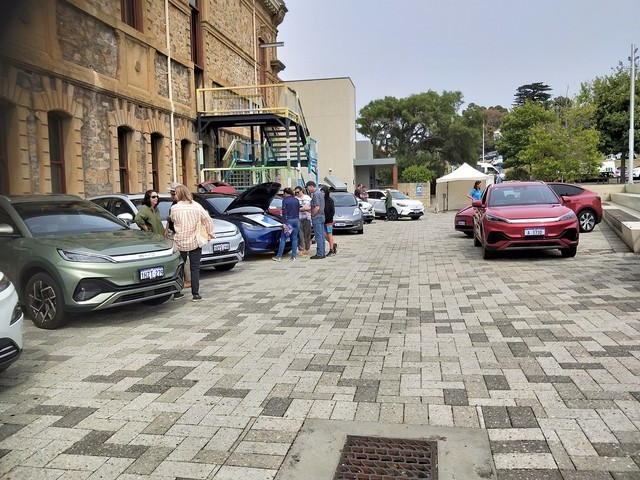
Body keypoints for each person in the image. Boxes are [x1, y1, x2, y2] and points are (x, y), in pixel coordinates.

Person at [169, 184, 214, 301]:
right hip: (195, 240)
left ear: (179, 194)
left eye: (175, 193)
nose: (174, 195)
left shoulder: (174, 208)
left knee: (179, 267)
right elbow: (207, 220)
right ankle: (195, 294)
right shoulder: (196, 206)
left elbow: (173, 220)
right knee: (195, 268)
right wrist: (209, 234)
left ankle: (177, 292)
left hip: (179, 241)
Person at [165, 182, 191, 289]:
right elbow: (170, 218)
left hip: (179, 234)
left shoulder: (180, 206)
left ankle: (188, 279)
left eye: (173, 194)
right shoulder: (174, 204)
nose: (171, 196)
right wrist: (166, 227)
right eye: (171, 194)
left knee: (183, 257)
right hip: (174, 232)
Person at [273, 188, 300, 262]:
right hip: (296, 220)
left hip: (288, 221)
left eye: (284, 193)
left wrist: (284, 223)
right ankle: (294, 256)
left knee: (283, 239)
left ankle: (279, 256)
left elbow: (284, 213)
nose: (283, 195)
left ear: (285, 193)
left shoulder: (285, 200)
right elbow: (298, 210)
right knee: (294, 239)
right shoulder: (296, 200)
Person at [306, 181, 325, 259]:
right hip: (322, 216)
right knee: (321, 235)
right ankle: (322, 252)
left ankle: (320, 253)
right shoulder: (320, 193)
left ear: (311, 186)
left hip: (317, 217)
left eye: (308, 188)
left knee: (318, 236)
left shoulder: (316, 194)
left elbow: (317, 207)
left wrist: (312, 215)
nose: (308, 190)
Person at [295, 186, 312, 255]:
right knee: (300, 233)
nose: (297, 194)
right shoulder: (295, 199)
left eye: (298, 192)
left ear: (301, 191)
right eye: (295, 192)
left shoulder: (307, 198)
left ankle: (307, 248)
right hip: (299, 217)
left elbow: (312, 206)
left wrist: (306, 209)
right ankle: (301, 248)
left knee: (307, 233)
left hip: (307, 217)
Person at [322, 186, 337, 256]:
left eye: (323, 192)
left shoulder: (330, 200)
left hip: (329, 220)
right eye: (321, 192)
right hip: (322, 220)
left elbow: (332, 211)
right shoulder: (321, 199)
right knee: (324, 234)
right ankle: (333, 244)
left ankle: (331, 250)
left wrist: (328, 218)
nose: (322, 193)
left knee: (329, 234)